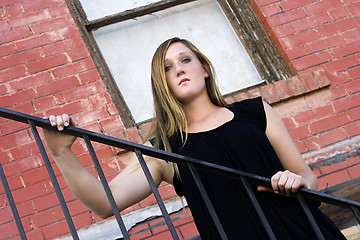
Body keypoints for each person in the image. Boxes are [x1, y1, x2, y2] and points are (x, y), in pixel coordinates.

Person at [43, 37, 346, 239]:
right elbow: (105, 203)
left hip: (307, 232)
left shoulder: (257, 111)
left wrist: (299, 182)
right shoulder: (164, 149)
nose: (178, 70)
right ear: (162, 84)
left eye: (185, 60)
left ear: (204, 68)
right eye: (167, 68)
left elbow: (306, 174)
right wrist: (61, 153)